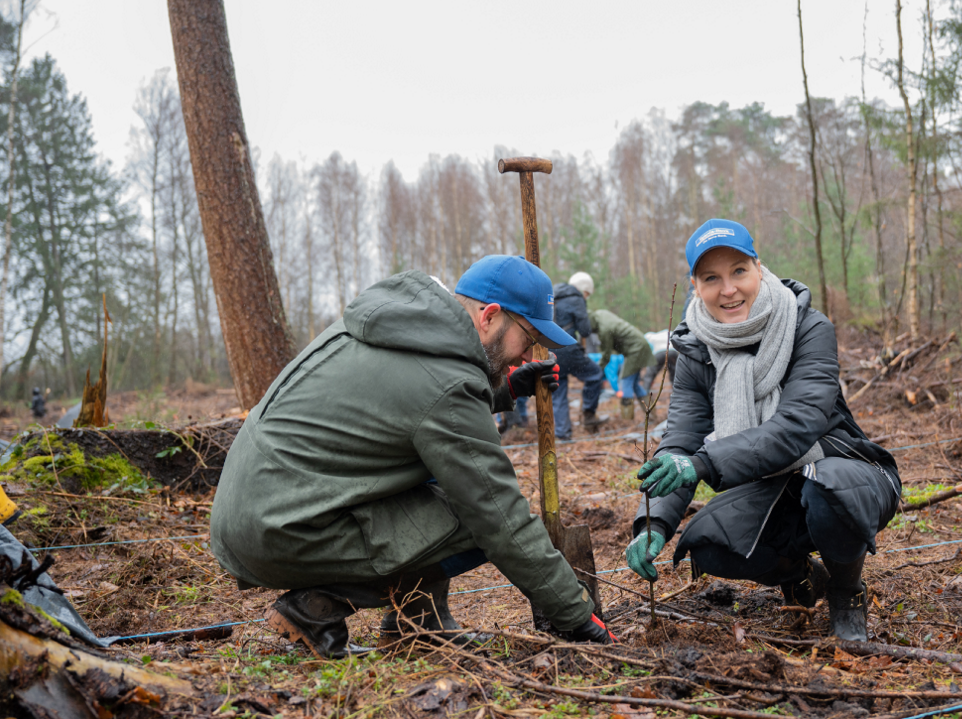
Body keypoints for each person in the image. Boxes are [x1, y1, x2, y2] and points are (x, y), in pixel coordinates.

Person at [211, 255, 615, 658]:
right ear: (489, 316)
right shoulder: (445, 380)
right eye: (526, 339)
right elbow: (497, 513)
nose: (528, 355)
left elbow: (403, 408)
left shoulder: (404, 326)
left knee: (445, 480)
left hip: (258, 508)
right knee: (479, 517)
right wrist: (575, 613)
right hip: (281, 526)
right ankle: (317, 606)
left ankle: (421, 623)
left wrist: (504, 389)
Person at [624, 219, 900, 642]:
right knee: (709, 544)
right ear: (695, 286)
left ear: (759, 268)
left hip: (845, 470)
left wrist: (701, 464)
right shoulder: (695, 351)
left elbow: (797, 428)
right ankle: (805, 576)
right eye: (711, 278)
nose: (728, 289)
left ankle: (846, 593)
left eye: (738, 271)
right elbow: (680, 441)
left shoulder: (808, 327)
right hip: (770, 487)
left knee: (827, 487)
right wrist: (653, 524)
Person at [551, 271, 608, 440]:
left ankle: (563, 434)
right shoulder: (576, 299)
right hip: (568, 349)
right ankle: (589, 416)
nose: (585, 298)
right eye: (586, 294)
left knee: (558, 390)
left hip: (550, 351)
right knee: (595, 374)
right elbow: (585, 330)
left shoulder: (552, 296)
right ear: (583, 289)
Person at [590, 309, 655, 411]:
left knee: (626, 382)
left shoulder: (604, 329)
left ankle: (627, 419)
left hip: (635, 349)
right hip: (638, 346)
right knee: (634, 385)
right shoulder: (600, 314)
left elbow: (606, 356)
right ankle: (651, 414)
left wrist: (596, 370)